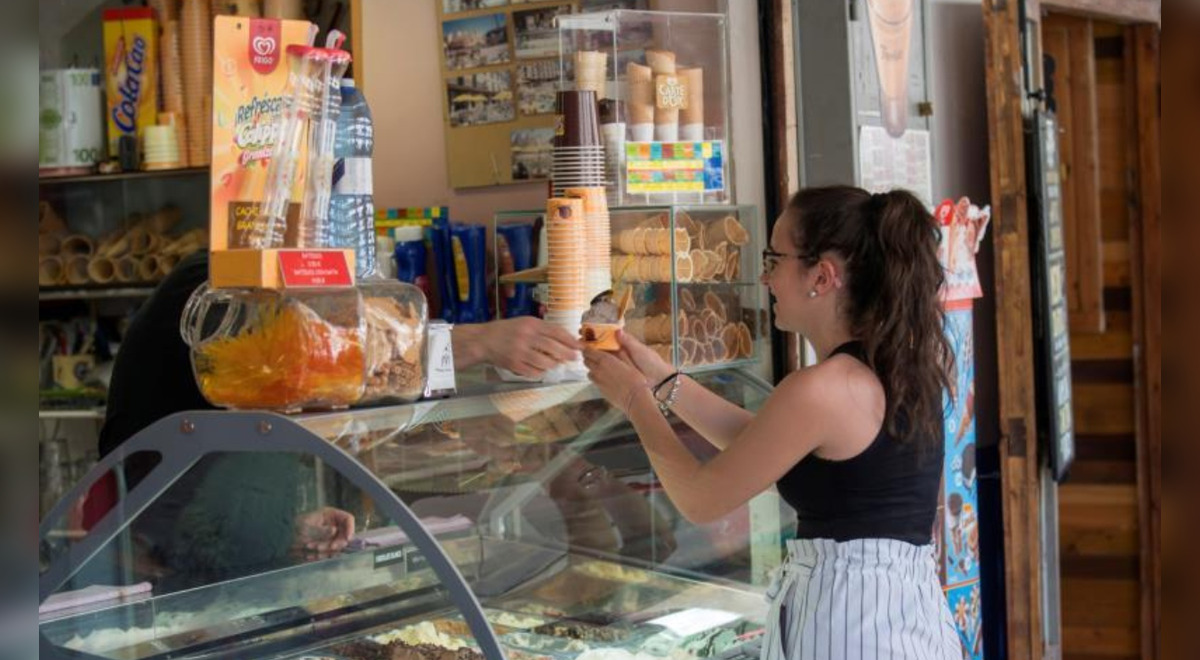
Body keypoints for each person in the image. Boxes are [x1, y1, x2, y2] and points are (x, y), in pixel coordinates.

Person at [584, 186, 963, 659]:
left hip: (850, 632)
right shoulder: (900, 367)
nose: (764, 278)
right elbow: (762, 445)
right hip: (905, 622)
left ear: (821, 276)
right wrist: (658, 376)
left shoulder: (823, 388)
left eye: (772, 259)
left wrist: (633, 399)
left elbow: (702, 499)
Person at [85, 249, 580, 584]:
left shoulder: (269, 301)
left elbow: (273, 428)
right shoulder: (220, 292)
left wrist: (286, 526)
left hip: (226, 546)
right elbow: (330, 364)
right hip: (158, 562)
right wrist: (473, 343)